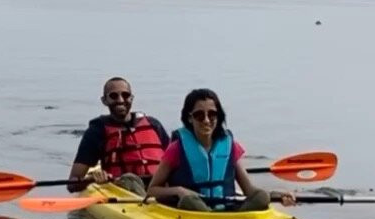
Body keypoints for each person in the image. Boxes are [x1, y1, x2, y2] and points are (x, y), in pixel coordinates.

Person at [147, 88, 295, 211]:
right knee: (190, 201)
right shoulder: (176, 148)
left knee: (261, 197)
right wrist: (179, 191)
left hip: (225, 213)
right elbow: (152, 190)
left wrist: (276, 195)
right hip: (191, 213)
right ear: (190, 118)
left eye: (212, 114)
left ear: (218, 117)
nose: (206, 120)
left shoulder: (229, 145)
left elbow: (249, 190)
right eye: (199, 115)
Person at [67, 77, 170, 194]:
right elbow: (72, 183)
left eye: (125, 95)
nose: (121, 100)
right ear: (104, 100)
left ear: (131, 98)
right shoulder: (97, 130)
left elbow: (176, 162)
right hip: (125, 191)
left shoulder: (153, 124)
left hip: (161, 189)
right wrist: (91, 180)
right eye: (113, 96)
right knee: (129, 181)